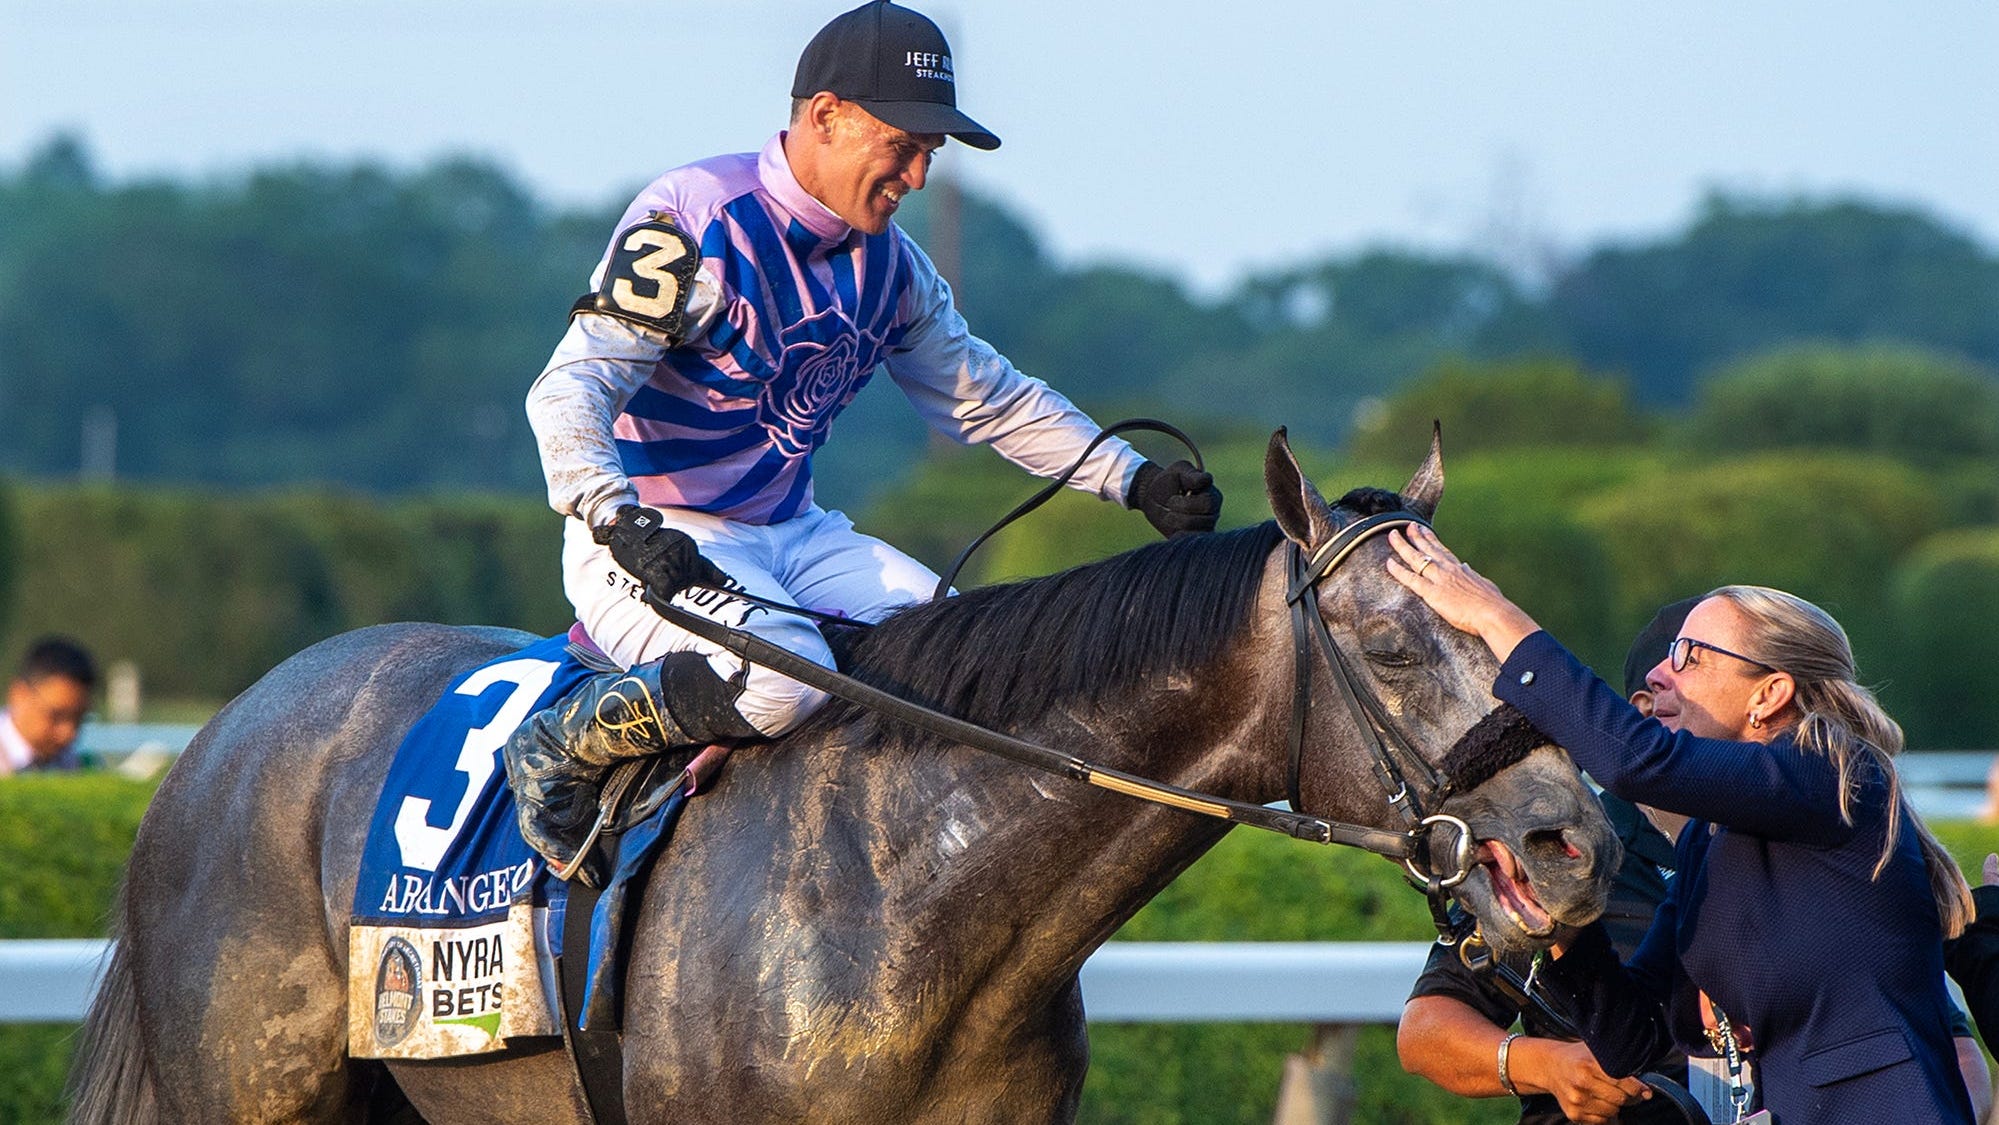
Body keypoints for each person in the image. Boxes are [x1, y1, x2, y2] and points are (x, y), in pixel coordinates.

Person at [507, 0, 1222, 879]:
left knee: (967, 663)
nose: (918, 177)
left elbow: (987, 398)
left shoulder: (891, 266)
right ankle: (561, 742)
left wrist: (1130, 478)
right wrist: (616, 517)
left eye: (930, 153)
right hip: (650, 535)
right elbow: (570, 386)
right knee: (785, 677)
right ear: (826, 116)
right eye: (903, 146)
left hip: (791, 534)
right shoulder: (693, 218)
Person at [1387, 523, 1978, 1123]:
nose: (1657, 676)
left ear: (1770, 693)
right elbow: (1633, 1035)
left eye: (1689, 658)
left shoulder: (1833, 772)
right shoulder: (1705, 839)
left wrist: (1496, 618)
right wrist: (1557, 915)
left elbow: (1635, 761)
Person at [1398, 598, 1699, 1125]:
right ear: (1648, 708)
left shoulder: (1769, 842)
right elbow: (1426, 1028)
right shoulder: (1565, 849)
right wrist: (1545, 1064)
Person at [1, 636, 96, 775]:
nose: (69, 733)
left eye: (79, 719)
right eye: (56, 715)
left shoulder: (80, 767)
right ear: (19, 695)